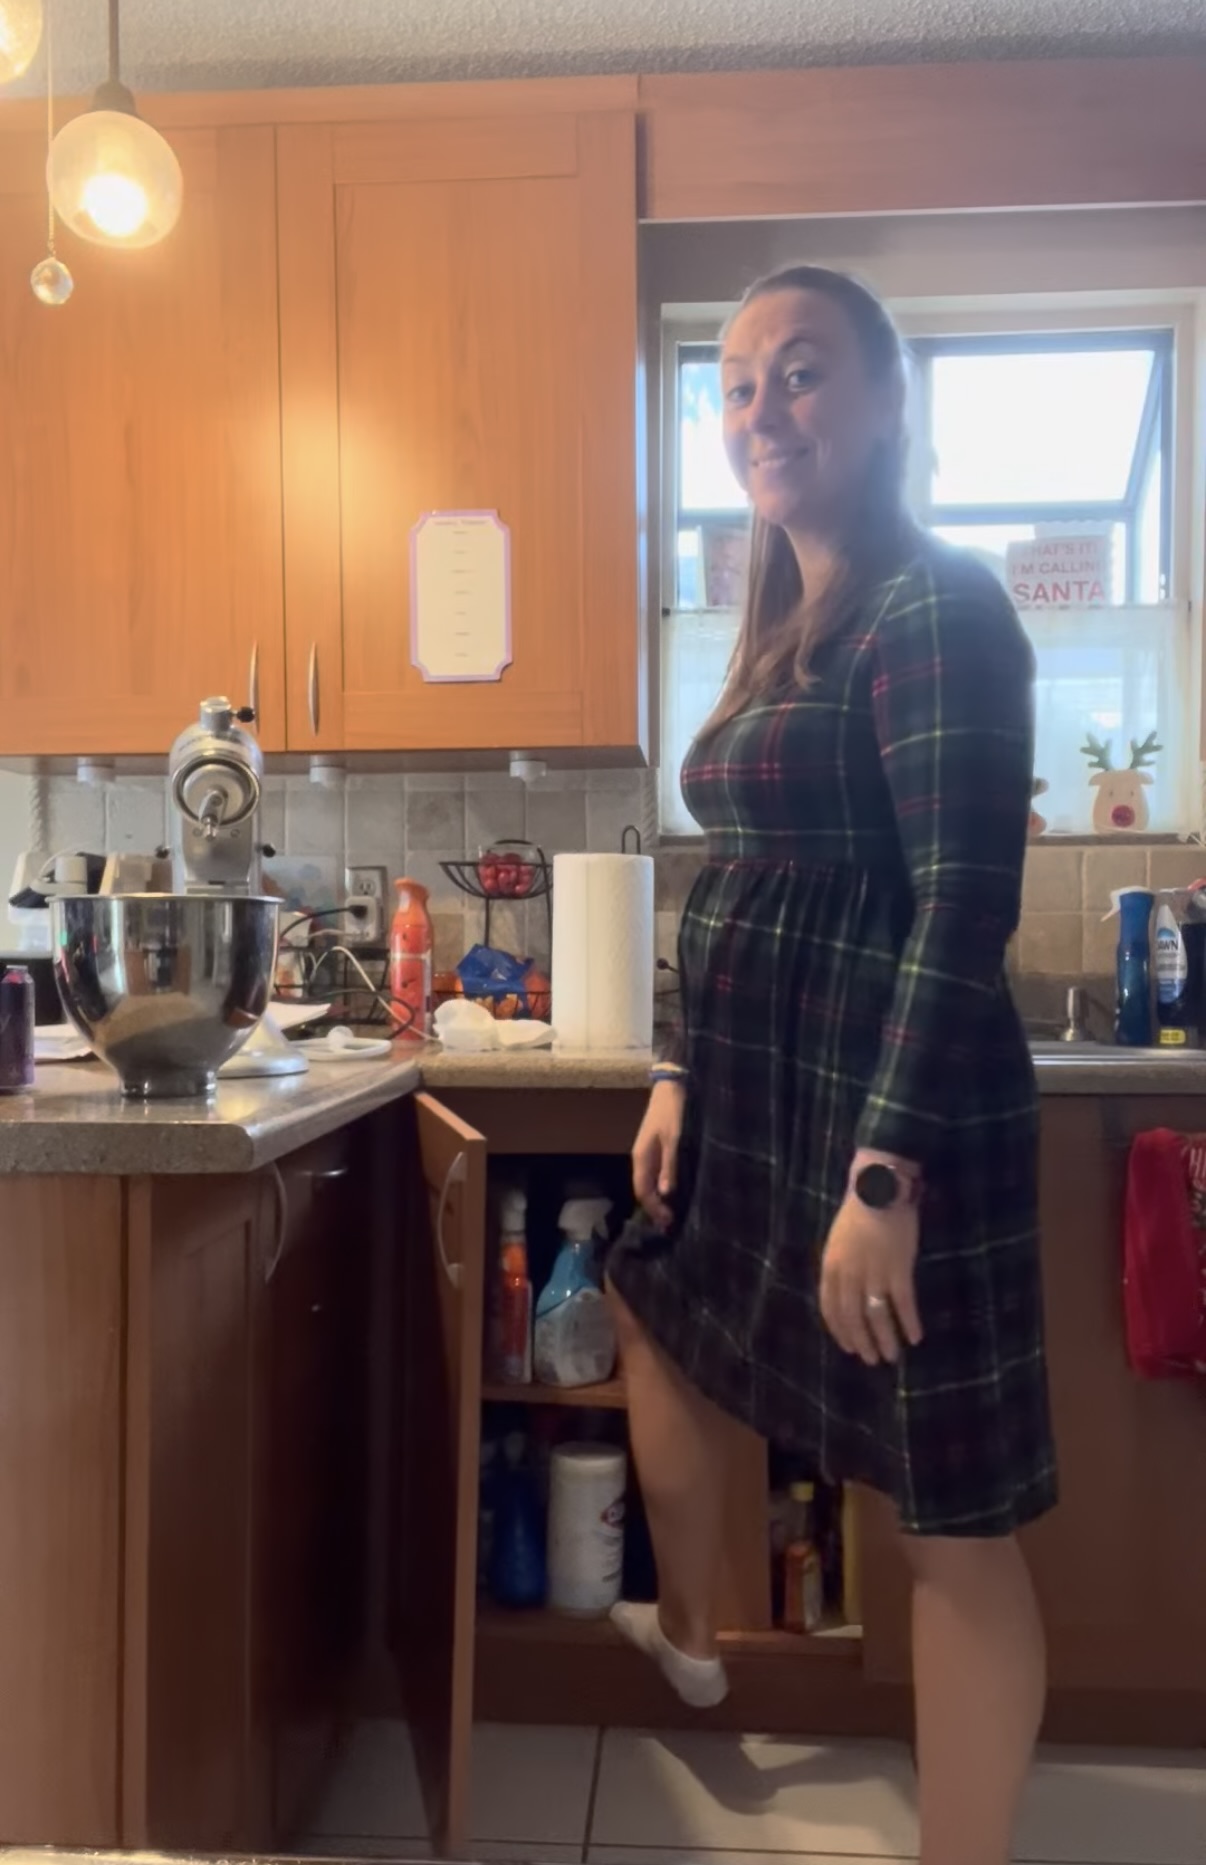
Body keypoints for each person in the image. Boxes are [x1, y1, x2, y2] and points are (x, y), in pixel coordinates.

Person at [607, 265, 1055, 1865]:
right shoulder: (773, 620)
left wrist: (883, 1173)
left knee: (948, 1520)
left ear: (883, 405)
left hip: (888, 1120)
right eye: (732, 386)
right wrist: (676, 1066)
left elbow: (961, 908)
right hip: (753, 1096)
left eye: (797, 375)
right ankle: (694, 1628)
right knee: (655, 1307)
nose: (757, 410)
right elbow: (730, 872)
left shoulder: (939, 603)